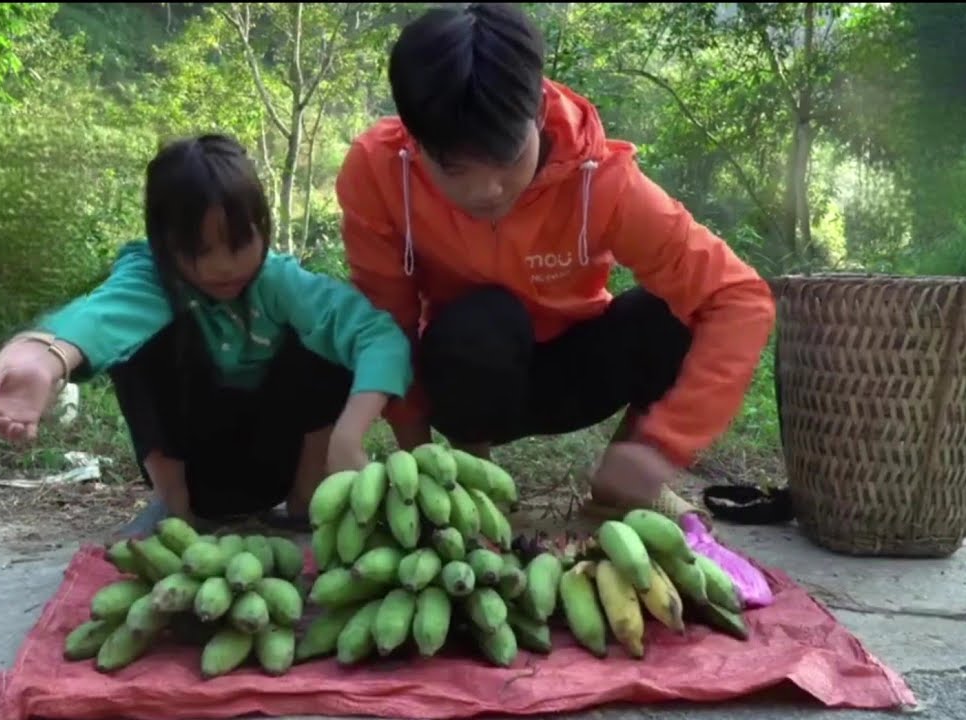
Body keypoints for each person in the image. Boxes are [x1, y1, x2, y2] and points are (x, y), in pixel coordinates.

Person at [333, 3, 777, 511]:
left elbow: (740, 298)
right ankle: (475, 480)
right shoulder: (378, 171)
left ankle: (623, 481)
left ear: (538, 113)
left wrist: (662, 445)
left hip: (576, 371)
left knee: (670, 315)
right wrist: (421, 468)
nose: (487, 189)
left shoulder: (605, 181)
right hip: (469, 378)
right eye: (454, 169)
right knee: (482, 320)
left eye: (507, 158)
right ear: (416, 140)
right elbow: (390, 322)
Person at [0, 134, 413, 537]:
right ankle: (176, 513)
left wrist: (349, 436)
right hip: (198, 467)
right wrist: (44, 356)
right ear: (164, 244)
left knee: (323, 339)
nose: (222, 267)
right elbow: (104, 317)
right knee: (140, 344)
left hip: (278, 459)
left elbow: (378, 335)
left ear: (264, 228)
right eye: (200, 251)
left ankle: (305, 504)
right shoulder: (152, 278)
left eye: (239, 245)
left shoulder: (279, 283)